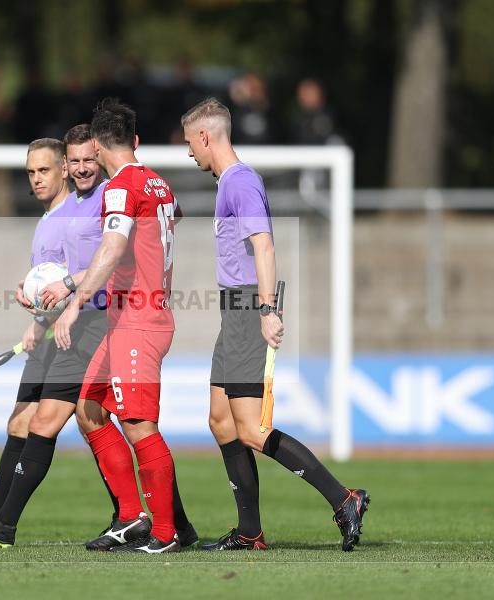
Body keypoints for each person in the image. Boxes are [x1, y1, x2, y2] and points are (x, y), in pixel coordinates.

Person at [180, 97, 369, 552]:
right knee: (221, 422)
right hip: (235, 310)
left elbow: (264, 247)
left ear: (206, 137)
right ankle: (249, 532)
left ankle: (345, 498)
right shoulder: (229, 183)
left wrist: (267, 310)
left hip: (248, 309)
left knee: (250, 429)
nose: (190, 154)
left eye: (191, 144)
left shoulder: (240, 182)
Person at [0, 137, 114, 546]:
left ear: (64, 170)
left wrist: (57, 301)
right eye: (30, 172)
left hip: (83, 326)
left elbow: (89, 270)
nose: (36, 179)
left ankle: (3, 523)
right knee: (19, 420)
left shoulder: (80, 210)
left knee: (60, 423)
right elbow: (51, 282)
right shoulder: (47, 218)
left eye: (45, 170)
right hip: (53, 328)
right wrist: (36, 311)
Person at [55, 98, 186, 554]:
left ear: (96, 143)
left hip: (138, 321)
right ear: (134, 140)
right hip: (133, 318)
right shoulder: (161, 185)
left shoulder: (120, 187)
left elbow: (112, 249)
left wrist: (74, 305)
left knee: (139, 426)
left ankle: (166, 534)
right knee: (89, 408)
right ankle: (131, 517)